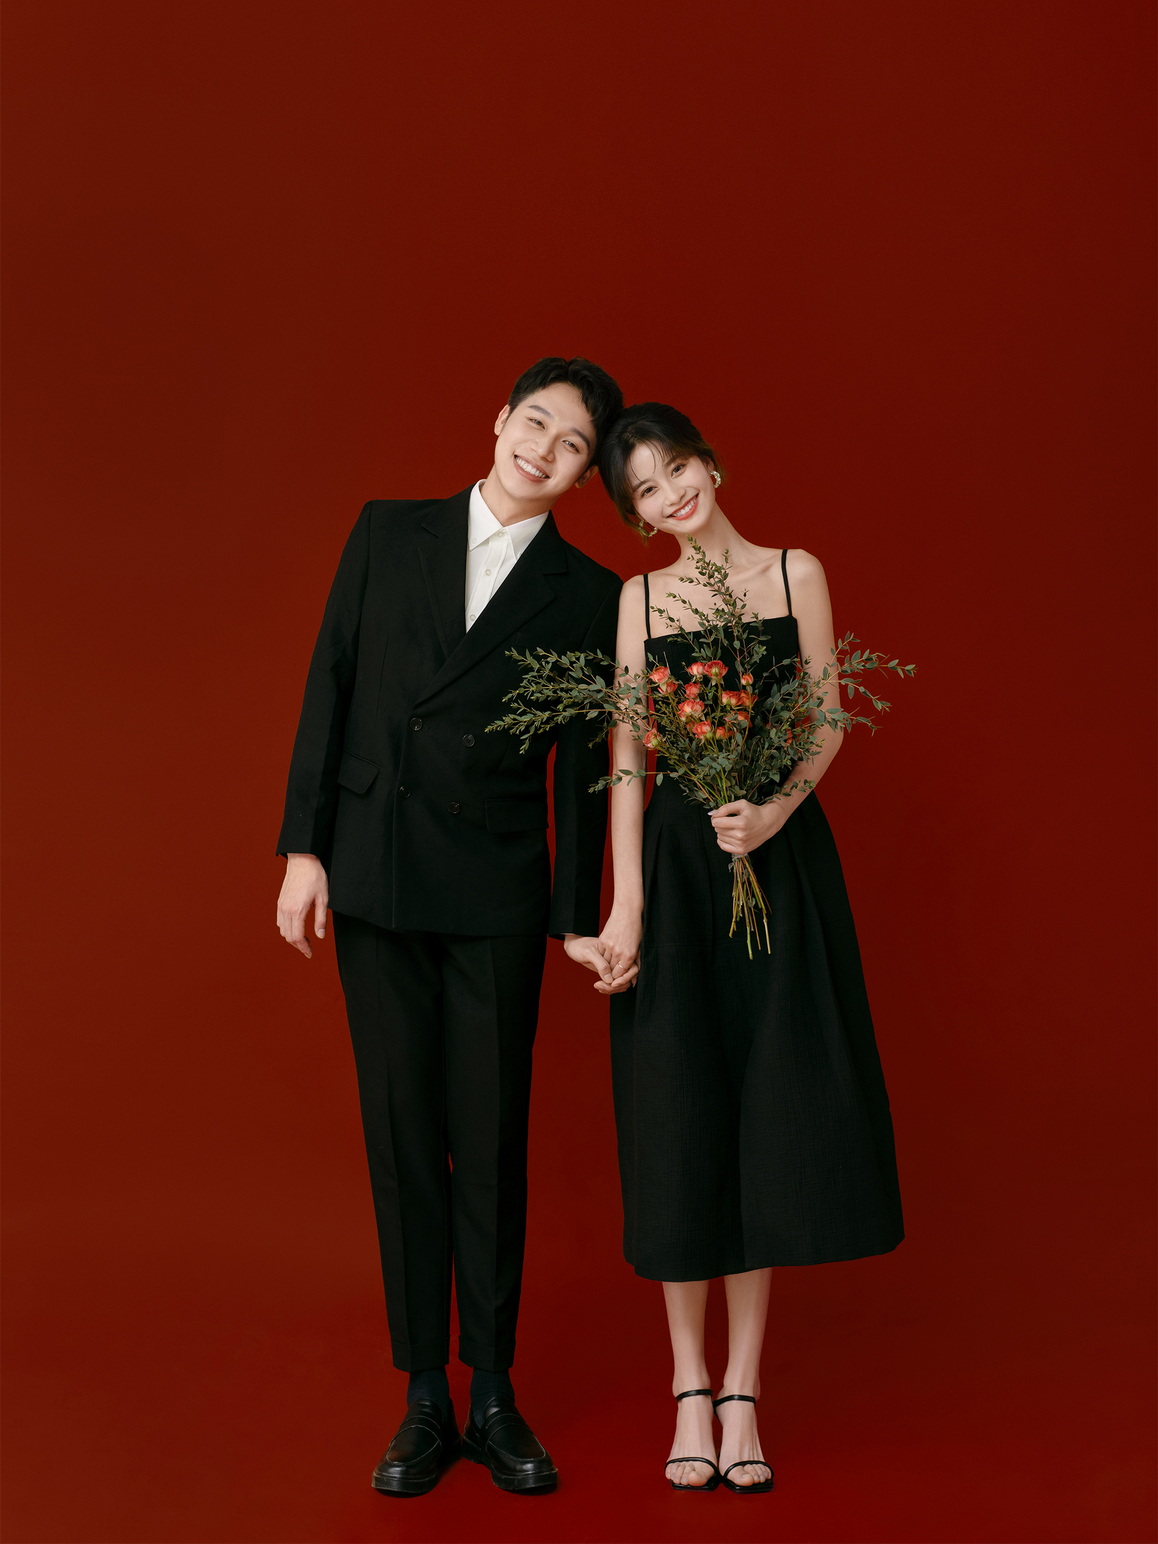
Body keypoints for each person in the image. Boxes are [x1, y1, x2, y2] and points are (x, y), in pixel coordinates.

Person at [274, 357, 626, 1497]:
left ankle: (494, 1390)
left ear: (583, 474)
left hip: (495, 892)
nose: (544, 450)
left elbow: (583, 765)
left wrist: (577, 918)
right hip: (374, 871)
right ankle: (424, 1392)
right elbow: (330, 681)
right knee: (402, 1134)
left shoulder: (588, 592)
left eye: (572, 446)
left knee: (491, 1140)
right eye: (537, 423)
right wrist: (304, 850)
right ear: (501, 419)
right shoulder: (388, 531)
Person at [577, 402, 904, 1494]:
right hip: (678, 870)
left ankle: (742, 1391)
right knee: (679, 1112)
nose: (672, 495)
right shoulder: (639, 600)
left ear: (711, 464)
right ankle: (687, 1385)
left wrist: (771, 812)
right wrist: (625, 904)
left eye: (678, 469)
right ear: (636, 516)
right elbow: (629, 751)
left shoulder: (794, 571)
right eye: (646, 490)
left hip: (776, 856)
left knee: (766, 1112)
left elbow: (826, 716)